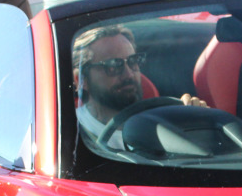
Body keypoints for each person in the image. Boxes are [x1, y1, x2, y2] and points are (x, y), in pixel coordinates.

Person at [73, 24, 206, 148]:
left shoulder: (161, 124)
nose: (129, 74)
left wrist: (195, 121)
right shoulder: (69, 137)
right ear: (81, 80)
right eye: (113, 65)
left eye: (133, 61)